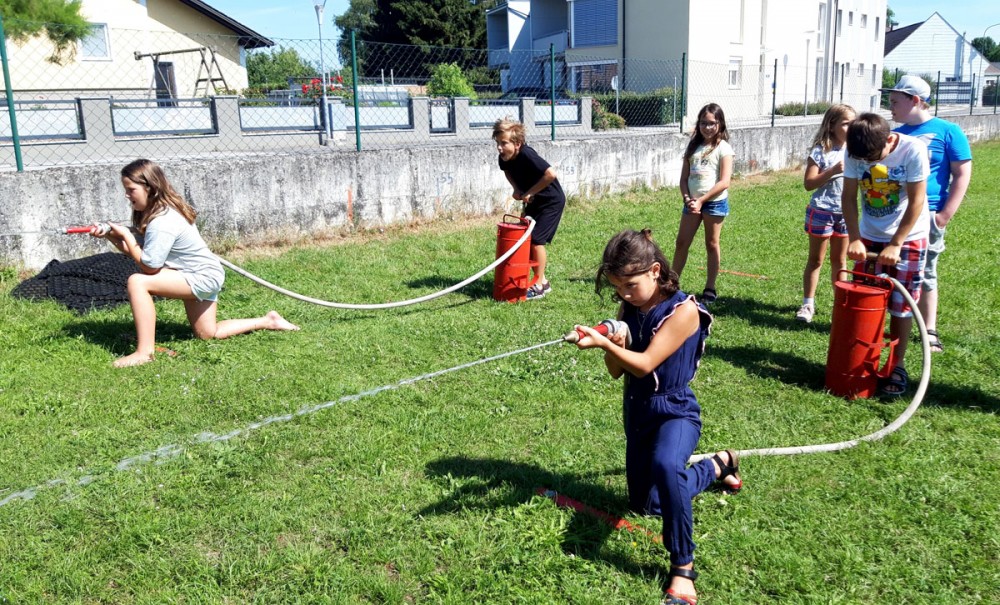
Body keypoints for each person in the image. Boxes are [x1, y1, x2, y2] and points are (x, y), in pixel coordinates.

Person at [573, 229, 742, 605]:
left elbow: (647, 363)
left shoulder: (685, 312)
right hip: (638, 413)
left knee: (668, 466)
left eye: (630, 285)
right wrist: (611, 342)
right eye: (618, 288)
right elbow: (617, 371)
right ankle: (718, 465)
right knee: (646, 505)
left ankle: (683, 568)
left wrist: (604, 341)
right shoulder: (629, 307)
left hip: (676, 412)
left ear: (654, 271)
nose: (624, 294)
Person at [91, 159, 299, 368]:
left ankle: (145, 352)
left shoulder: (162, 221)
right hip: (202, 274)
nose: (127, 195)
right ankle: (269, 320)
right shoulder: (161, 213)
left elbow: (149, 266)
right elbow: (140, 254)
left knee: (138, 281)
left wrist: (126, 234)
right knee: (207, 333)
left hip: (200, 276)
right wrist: (111, 236)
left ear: (150, 188)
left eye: (131, 189)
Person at [842, 114, 930, 397]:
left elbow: (917, 201)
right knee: (866, 303)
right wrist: (855, 238)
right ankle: (863, 362)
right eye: (862, 160)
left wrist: (896, 243)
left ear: (890, 140)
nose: (866, 164)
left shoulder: (912, 150)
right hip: (869, 236)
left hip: (909, 238)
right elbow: (848, 196)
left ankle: (896, 365)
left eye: (872, 159)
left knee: (900, 306)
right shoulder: (856, 149)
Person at [883, 75, 972, 352]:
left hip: (928, 214)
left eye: (896, 102)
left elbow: (962, 173)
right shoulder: (895, 135)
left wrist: (944, 214)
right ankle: (885, 322)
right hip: (894, 215)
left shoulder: (948, 131)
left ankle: (929, 330)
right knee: (890, 270)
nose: (891, 108)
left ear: (916, 101)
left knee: (926, 271)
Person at [493, 117, 566, 299]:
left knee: (536, 240)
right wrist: (517, 189)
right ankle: (542, 280)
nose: (499, 148)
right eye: (497, 143)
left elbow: (550, 174)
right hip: (533, 201)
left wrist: (530, 191)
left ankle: (540, 284)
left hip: (551, 201)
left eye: (504, 143)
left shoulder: (527, 154)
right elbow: (507, 171)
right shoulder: (505, 157)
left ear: (517, 143)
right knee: (524, 239)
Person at [796, 104, 856, 323]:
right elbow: (808, 183)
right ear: (832, 125)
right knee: (815, 260)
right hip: (822, 211)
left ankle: (840, 306)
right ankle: (807, 305)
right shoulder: (821, 150)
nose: (851, 127)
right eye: (846, 123)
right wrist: (832, 171)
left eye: (853, 122)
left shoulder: (855, 149)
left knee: (840, 261)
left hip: (845, 214)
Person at [672, 103, 734, 304]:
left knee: (711, 244)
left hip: (713, 204)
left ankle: (710, 287)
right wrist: (688, 199)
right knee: (681, 243)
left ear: (720, 124)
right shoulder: (693, 147)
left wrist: (701, 200)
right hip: (692, 203)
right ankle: (672, 284)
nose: (708, 127)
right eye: (704, 123)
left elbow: (724, 182)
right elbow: (683, 179)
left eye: (712, 123)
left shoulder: (724, 148)